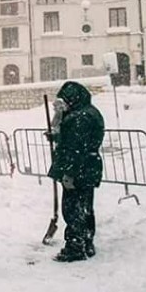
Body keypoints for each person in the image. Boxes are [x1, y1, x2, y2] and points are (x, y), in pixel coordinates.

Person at [47, 81, 105, 262]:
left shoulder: (80, 117)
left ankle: (75, 247)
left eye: (65, 101)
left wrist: (69, 175)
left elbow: (77, 148)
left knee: (73, 209)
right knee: (84, 207)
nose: (64, 104)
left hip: (79, 170)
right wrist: (56, 135)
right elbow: (74, 139)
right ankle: (86, 242)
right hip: (87, 168)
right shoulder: (86, 112)